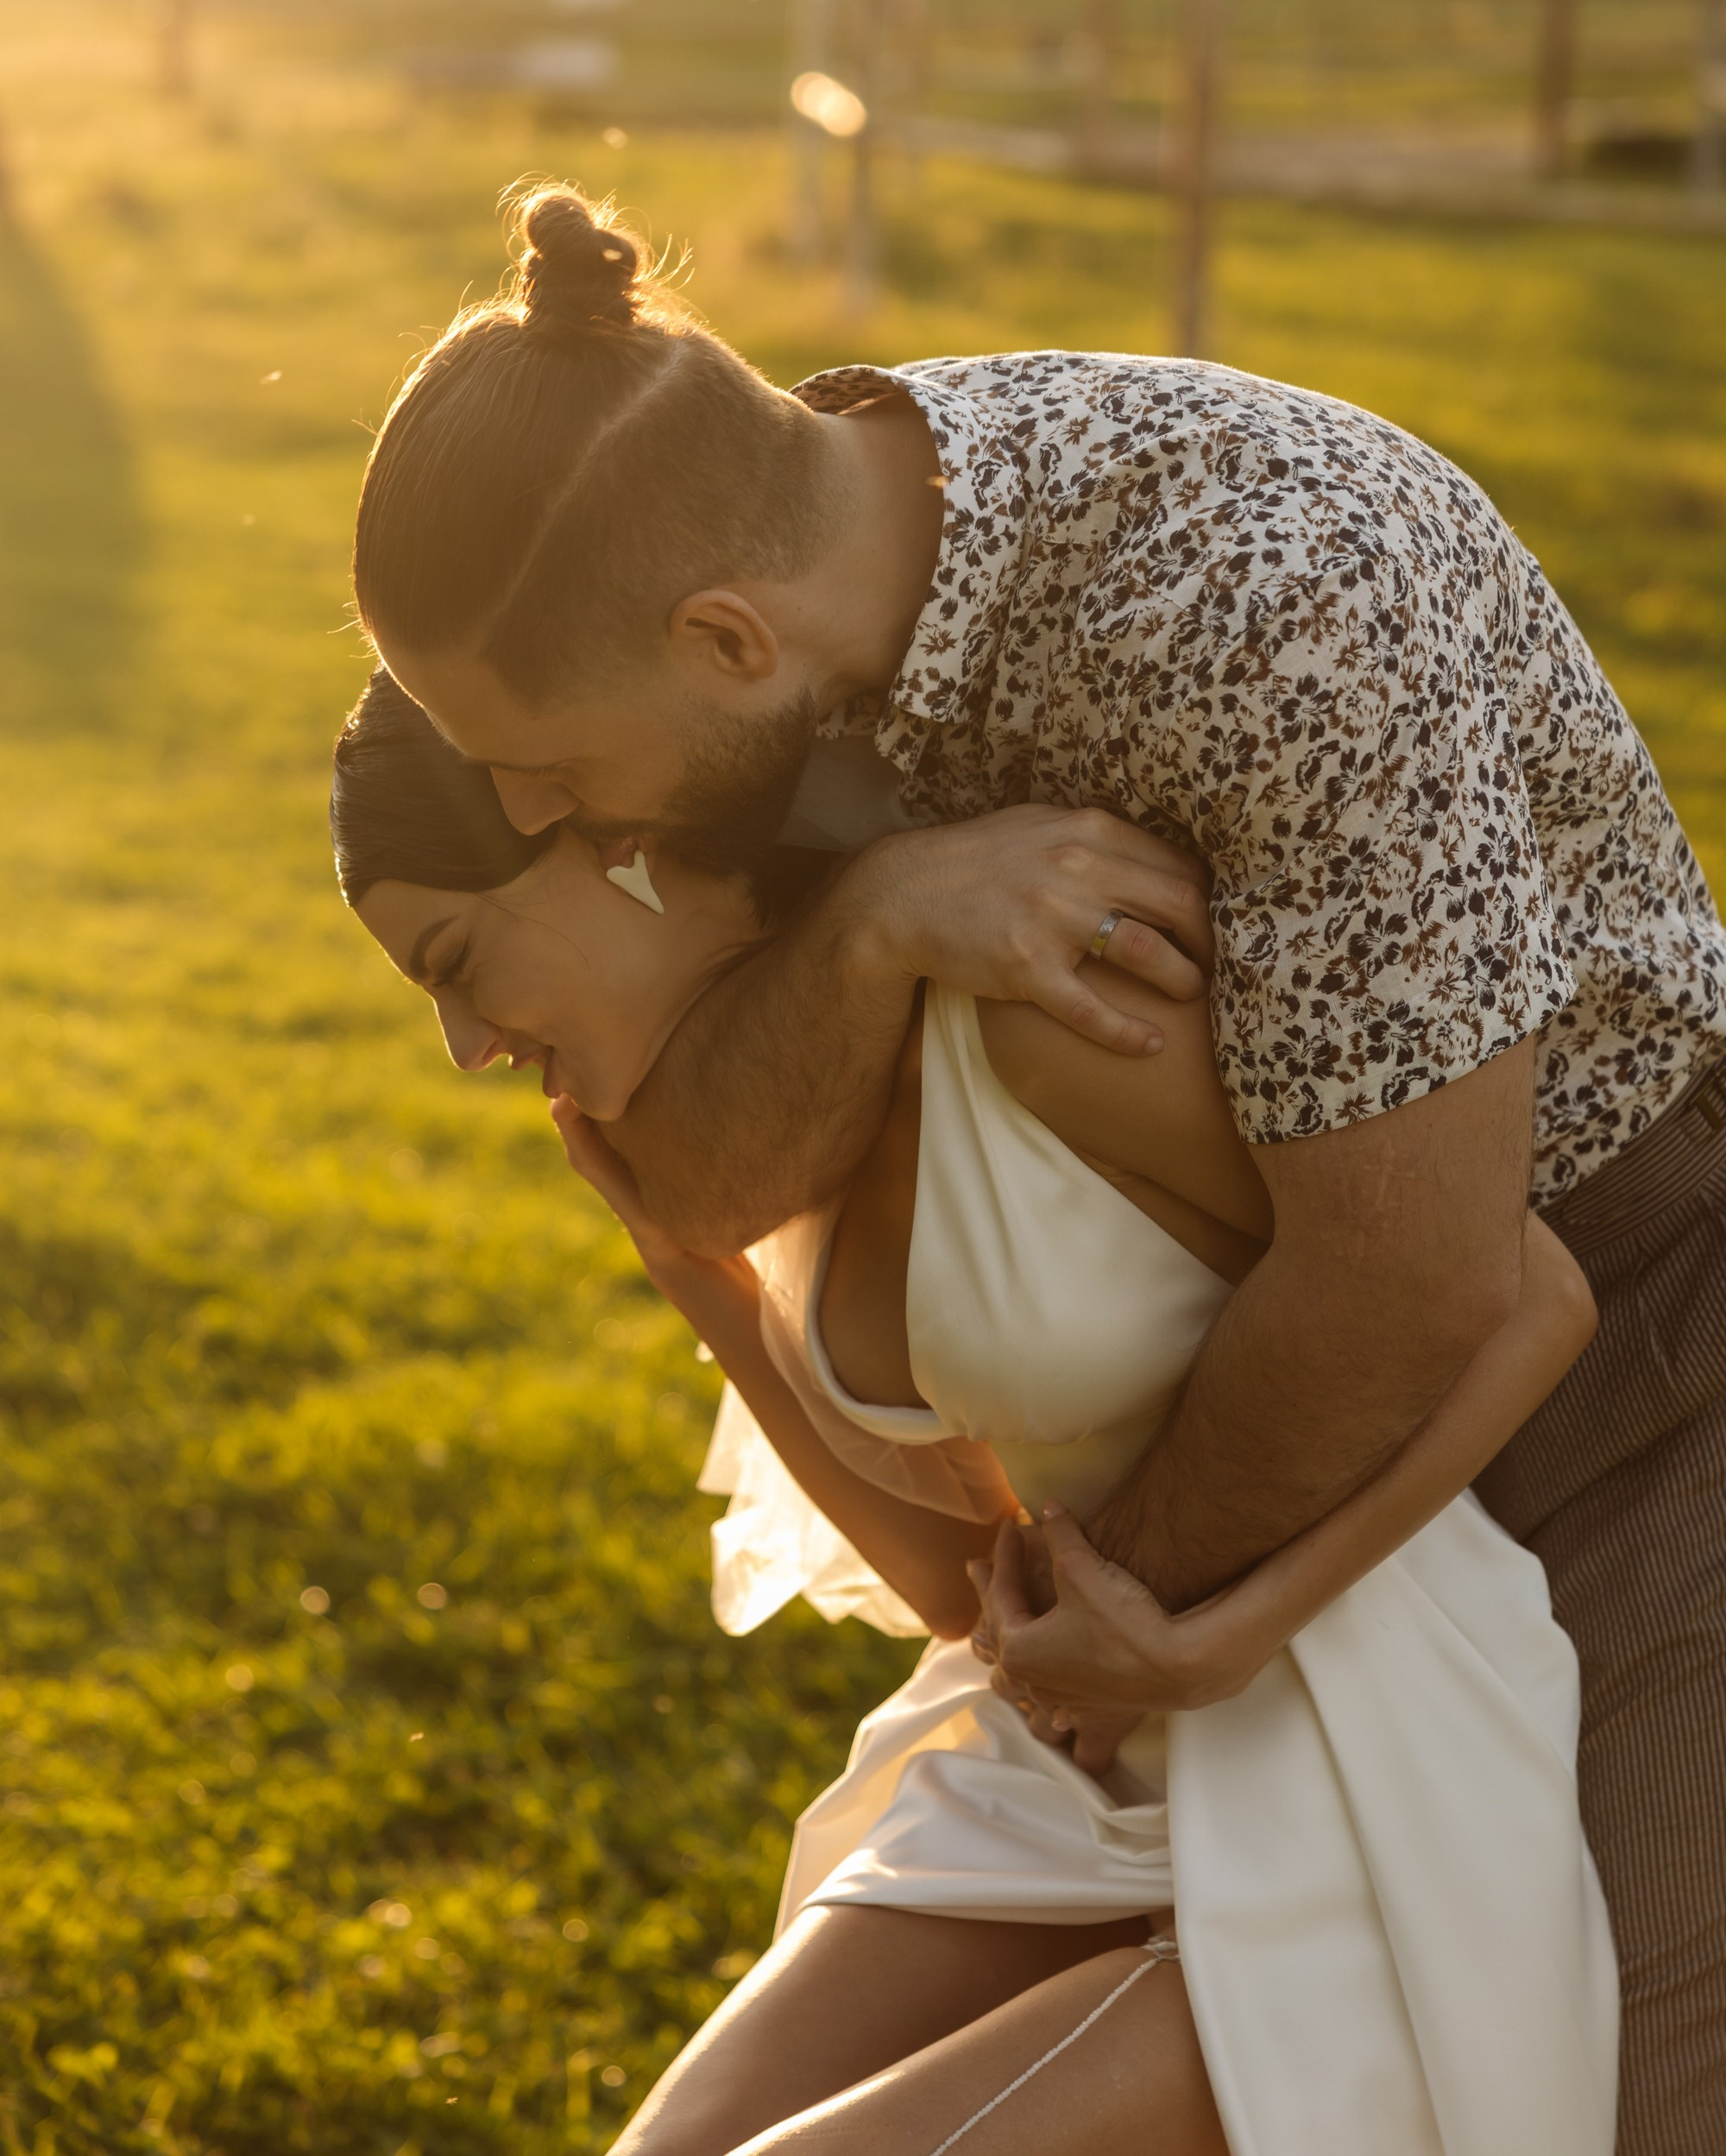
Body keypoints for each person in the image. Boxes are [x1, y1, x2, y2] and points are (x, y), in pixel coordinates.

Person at [350, 182, 1726, 2153]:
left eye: (552, 776)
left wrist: (1128, 1645)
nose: (546, 820)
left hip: (1653, 1317)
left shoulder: (1262, 604)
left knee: (1656, 2093)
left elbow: (1443, 1281)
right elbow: (716, 1187)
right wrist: (872, 922)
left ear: (724, 640)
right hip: (1220, 1546)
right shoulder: (829, 607)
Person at [331, 671, 1616, 2155]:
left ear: (612, 840)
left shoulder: (1036, 1019)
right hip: (1066, 1760)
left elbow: (1528, 1295)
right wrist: (694, 1269)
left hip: (1344, 1725)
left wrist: (1219, 1640)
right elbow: (967, 1591)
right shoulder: (780, 1148)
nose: (466, 1045)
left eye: (456, 961)